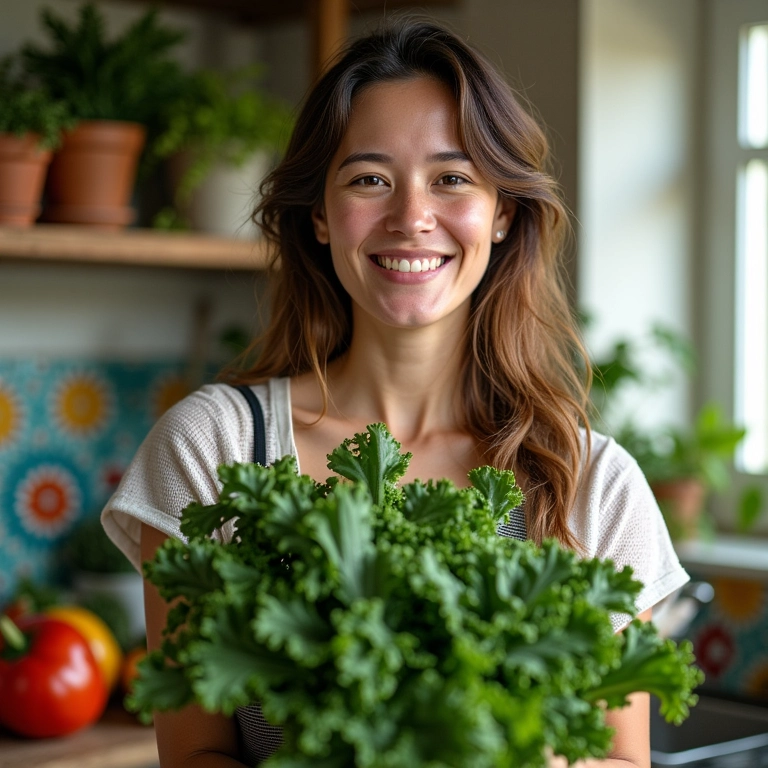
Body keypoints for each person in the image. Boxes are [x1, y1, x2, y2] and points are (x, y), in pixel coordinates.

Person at [102, 16, 689, 768]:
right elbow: (194, 755)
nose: (412, 218)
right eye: (369, 179)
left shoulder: (594, 486)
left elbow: (619, 760)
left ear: (502, 211)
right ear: (319, 214)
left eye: (452, 178)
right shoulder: (211, 450)